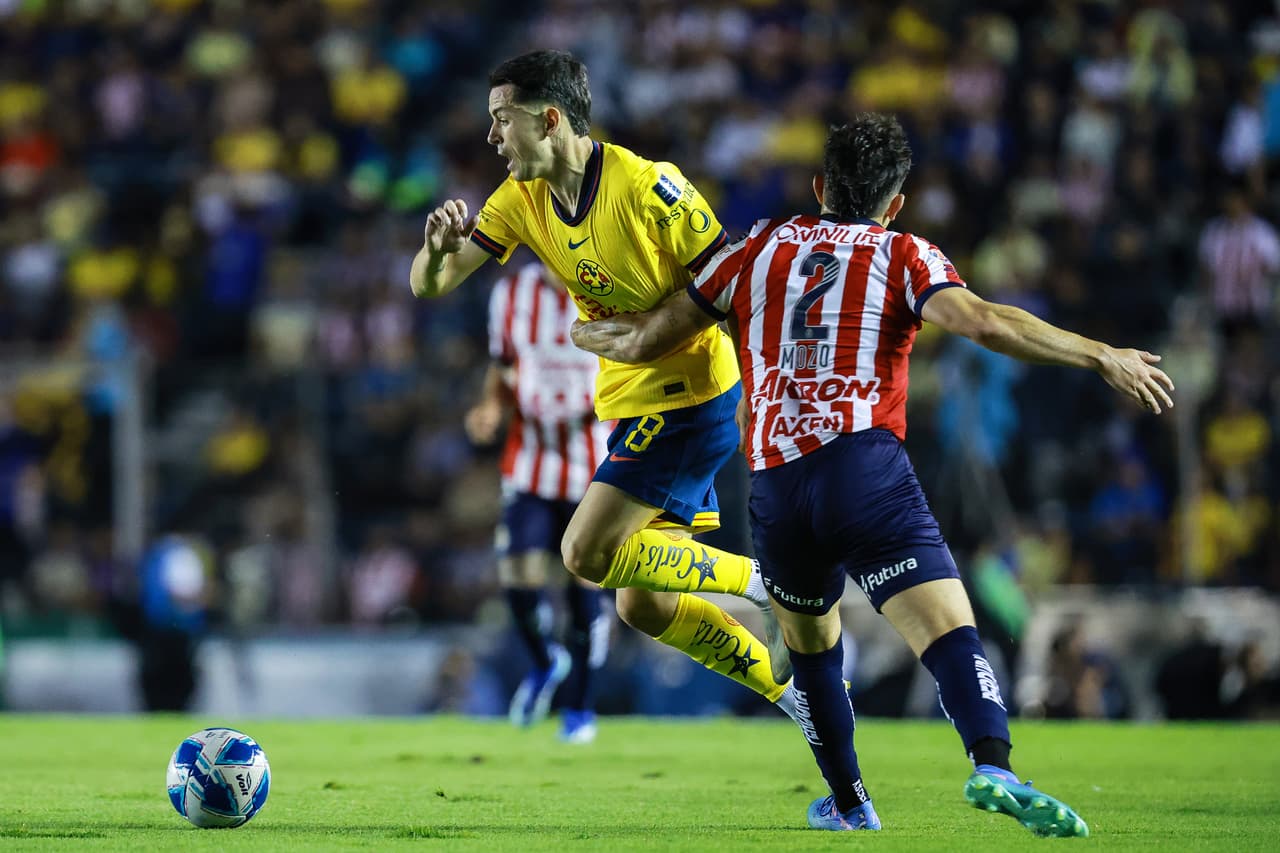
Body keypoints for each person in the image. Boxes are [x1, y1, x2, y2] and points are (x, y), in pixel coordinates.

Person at [570, 113, 1176, 835]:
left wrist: (586, 330)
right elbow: (981, 321)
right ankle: (992, 763)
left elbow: (647, 336)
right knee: (949, 628)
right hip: (865, 468)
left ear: (820, 185)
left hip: (778, 486)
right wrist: (1098, 352)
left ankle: (852, 805)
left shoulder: (754, 248)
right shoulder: (905, 253)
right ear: (895, 204)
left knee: (813, 650)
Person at [409, 50, 796, 721]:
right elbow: (431, 285)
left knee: (585, 552)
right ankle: (800, 695)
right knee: (643, 602)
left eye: (503, 120)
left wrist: (666, 340)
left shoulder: (649, 188)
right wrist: (438, 249)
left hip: (691, 398)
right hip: (629, 404)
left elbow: (734, 283)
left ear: (550, 119)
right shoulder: (523, 199)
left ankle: (767, 581)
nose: (492, 137)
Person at [465, 260, 614, 743]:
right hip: (530, 459)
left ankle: (580, 709)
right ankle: (547, 661)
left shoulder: (608, 282)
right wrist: (491, 406)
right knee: (517, 575)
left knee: (582, 587)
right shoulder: (512, 293)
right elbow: (504, 367)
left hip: (592, 461)